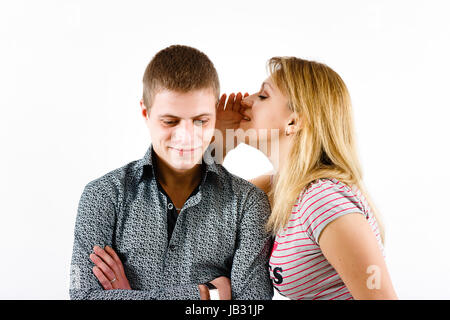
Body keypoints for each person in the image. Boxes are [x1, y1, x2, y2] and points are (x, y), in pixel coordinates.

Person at [69, 45, 274, 300]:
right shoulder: (103, 195)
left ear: (215, 113)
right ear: (146, 112)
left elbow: (252, 305)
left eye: (201, 120)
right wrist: (205, 294)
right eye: (170, 121)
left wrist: (130, 296)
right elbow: (84, 296)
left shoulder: (248, 203)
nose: (186, 136)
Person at [215, 56, 398, 300]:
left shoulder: (323, 200)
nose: (245, 100)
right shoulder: (272, 190)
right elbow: (203, 236)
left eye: (262, 96)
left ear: (293, 121)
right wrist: (216, 142)